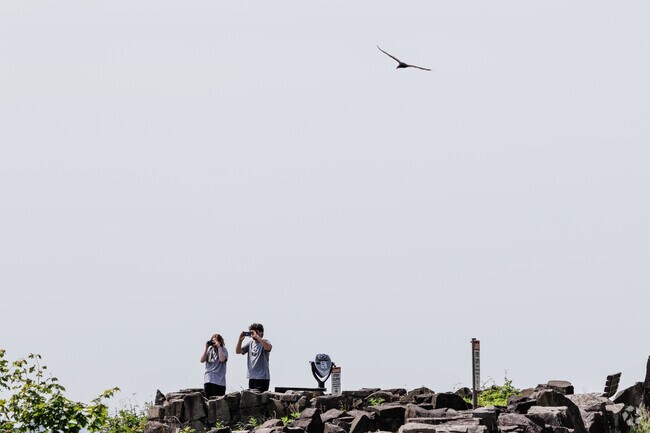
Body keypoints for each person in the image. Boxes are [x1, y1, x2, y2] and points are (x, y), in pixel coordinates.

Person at [235, 323, 272, 392]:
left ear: (261, 333)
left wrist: (258, 337)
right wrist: (240, 340)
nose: (253, 334)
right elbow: (238, 351)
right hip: (252, 376)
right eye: (252, 332)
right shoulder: (250, 343)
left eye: (256, 332)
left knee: (260, 400)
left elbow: (268, 347)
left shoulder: (265, 342)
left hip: (262, 377)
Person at [200, 333, 228, 398]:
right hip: (208, 380)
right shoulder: (210, 350)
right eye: (212, 341)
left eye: (215, 341)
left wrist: (219, 347)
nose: (214, 343)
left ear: (220, 341)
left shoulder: (223, 350)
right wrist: (206, 348)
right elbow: (202, 360)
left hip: (219, 382)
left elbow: (222, 359)